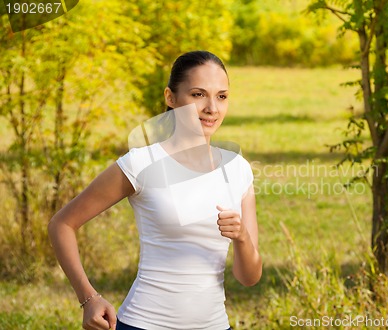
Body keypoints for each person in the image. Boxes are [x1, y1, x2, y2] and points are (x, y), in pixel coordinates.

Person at [48, 50, 262, 330]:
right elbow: (62, 224)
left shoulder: (238, 169)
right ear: (170, 98)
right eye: (198, 95)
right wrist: (89, 299)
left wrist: (242, 237)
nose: (212, 107)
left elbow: (249, 278)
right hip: (143, 323)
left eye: (221, 96)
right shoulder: (141, 163)